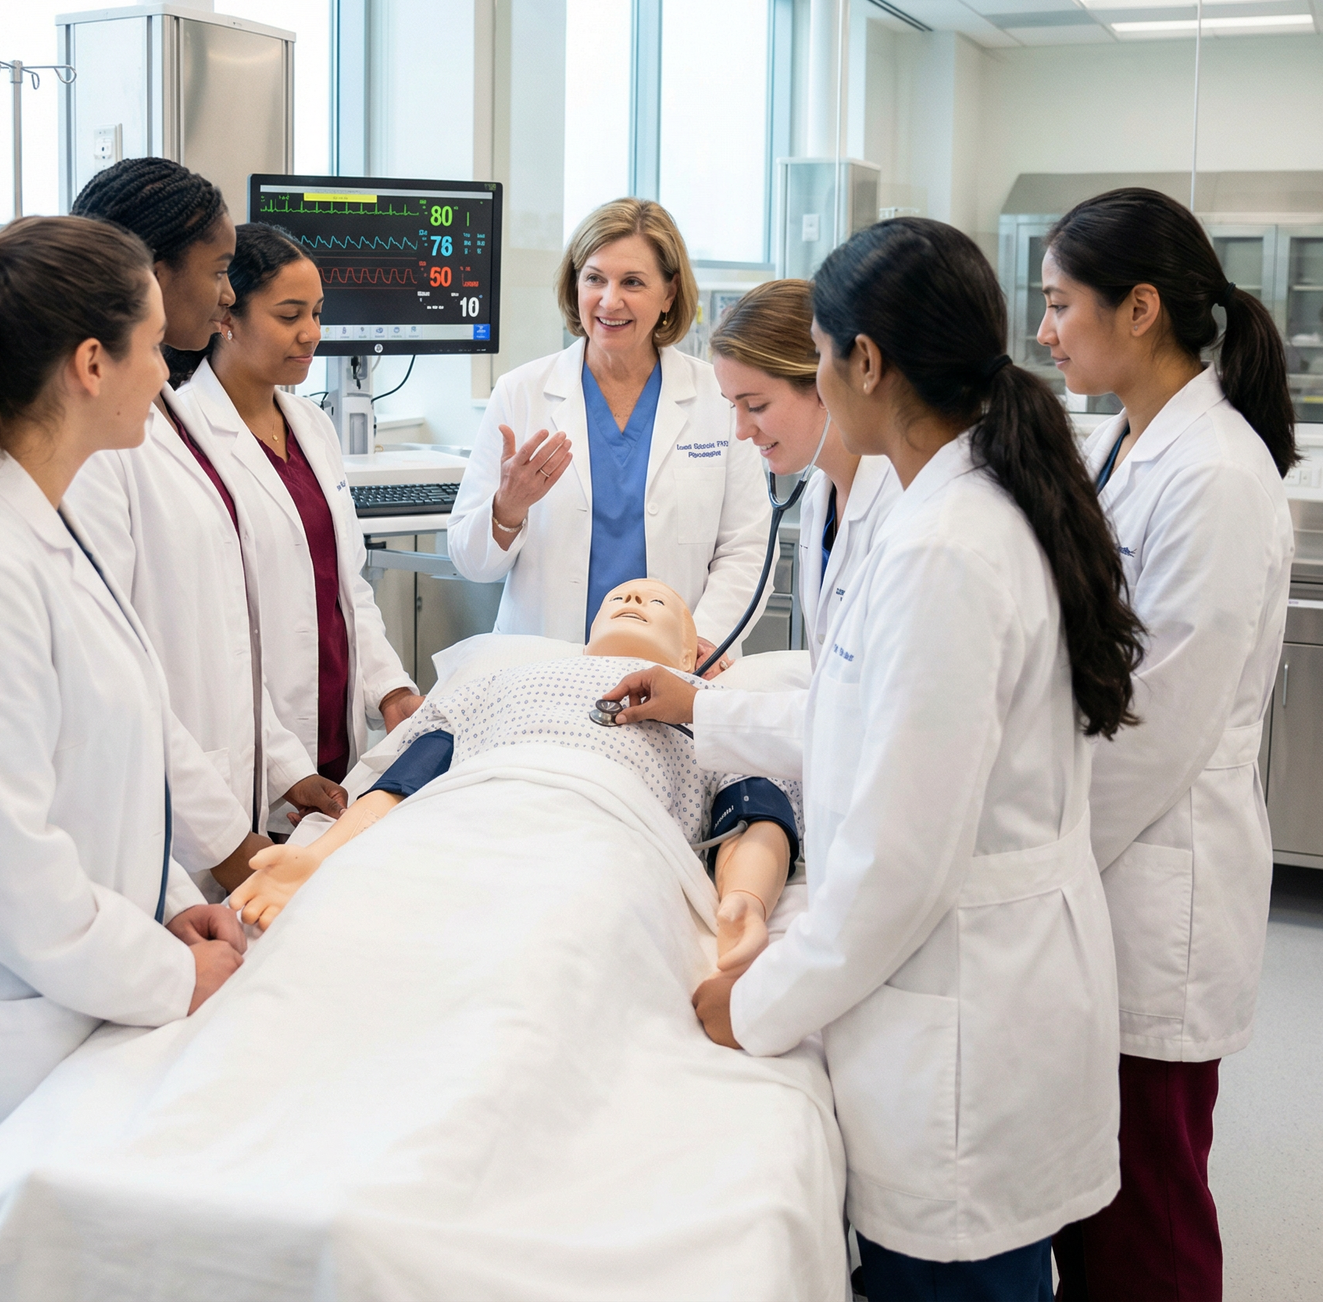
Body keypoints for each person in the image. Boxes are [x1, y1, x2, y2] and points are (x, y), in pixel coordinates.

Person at [615, 218, 1142, 1298]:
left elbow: (898, 863)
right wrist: (705, 712)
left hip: (963, 1032)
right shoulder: (949, 512)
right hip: (954, 993)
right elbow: (859, 720)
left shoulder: (947, 546)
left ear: (863, 362)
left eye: (809, 358)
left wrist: (753, 1004)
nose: (802, 383)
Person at [0, 218, 245, 1238]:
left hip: (67, 999)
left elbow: (97, 773)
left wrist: (167, 906)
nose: (169, 369)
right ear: (91, 361)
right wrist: (166, 969)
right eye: (155, 345)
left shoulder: (39, 530)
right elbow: (0, 866)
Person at [1038, 188, 1296, 1302]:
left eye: (1059, 304)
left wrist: (1030, 857)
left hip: (1158, 891)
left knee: (1149, 1220)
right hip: (1107, 874)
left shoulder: (1216, 474)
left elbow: (1158, 723)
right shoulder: (1124, 439)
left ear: (1138, 308)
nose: (1044, 329)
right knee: (1091, 1200)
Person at [229, 578, 801, 971]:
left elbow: (754, 814)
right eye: (619, 597)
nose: (630, 595)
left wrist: (745, 898)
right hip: (465, 814)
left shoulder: (717, 708)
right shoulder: (501, 681)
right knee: (376, 935)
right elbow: (401, 784)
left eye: (655, 601)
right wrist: (320, 855)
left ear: (690, 654)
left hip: (606, 832)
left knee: (549, 948)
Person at [67, 159, 344, 899]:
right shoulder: (97, 445)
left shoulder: (165, 414)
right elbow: (124, 682)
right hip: (160, 840)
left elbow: (224, 642)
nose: (227, 291)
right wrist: (228, 848)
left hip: (212, 822)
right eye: (219, 269)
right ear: (151, 272)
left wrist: (286, 770)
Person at [448, 198, 769, 667]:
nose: (609, 299)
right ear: (574, 284)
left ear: (669, 293)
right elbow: (470, 562)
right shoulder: (521, 392)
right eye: (594, 278)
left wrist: (702, 641)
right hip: (546, 664)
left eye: (633, 282)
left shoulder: (716, 397)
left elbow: (747, 547)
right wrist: (507, 509)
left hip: (678, 668)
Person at [606, 278, 902, 780]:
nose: (741, 431)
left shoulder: (903, 508)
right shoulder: (819, 499)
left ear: (825, 382)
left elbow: (878, 719)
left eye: (756, 405)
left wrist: (699, 707)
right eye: (732, 407)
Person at [176, 224, 423, 787]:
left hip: (335, 727)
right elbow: (213, 635)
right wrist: (284, 767)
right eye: (289, 316)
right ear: (226, 317)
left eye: (317, 312)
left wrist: (389, 687)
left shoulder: (312, 424)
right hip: (256, 748)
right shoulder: (190, 438)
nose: (311, 333)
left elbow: (348, 585)